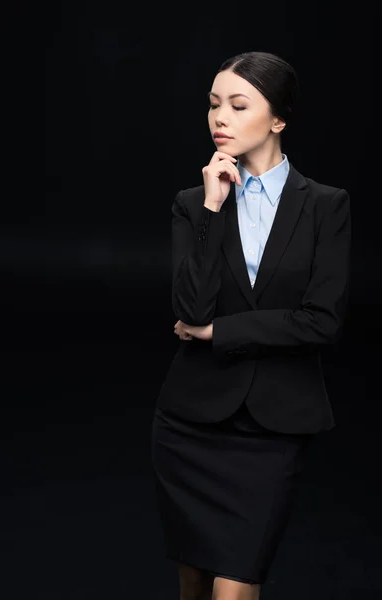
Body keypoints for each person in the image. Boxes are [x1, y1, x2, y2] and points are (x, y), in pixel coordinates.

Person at [150, 51, 351, 600]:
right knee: (193, 588)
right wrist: (215, 208)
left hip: (272, 432)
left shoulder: (325, 207)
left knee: (235, 588)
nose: (221, 118)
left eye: (239, 106)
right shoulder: (194, 204)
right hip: (190, 426)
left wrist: (221, 334)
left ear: (278, 118)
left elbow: (320, 322)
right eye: (215, 105)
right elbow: (192, 308)